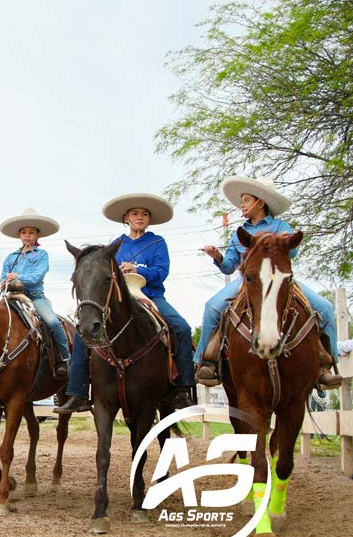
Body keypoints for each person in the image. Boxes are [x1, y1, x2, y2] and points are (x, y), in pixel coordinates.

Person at [194, 177, 341, 388]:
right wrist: (217, 256)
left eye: (245, 200)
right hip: (250, 281)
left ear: (260, 202)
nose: (241, 205)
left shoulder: (280, 225)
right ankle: (205, 362)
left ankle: (325, 366)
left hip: (280, 279)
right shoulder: (240, 233)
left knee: (325, 308)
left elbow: (295, 251)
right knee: (212, 307)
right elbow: (228, 266)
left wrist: (284, 241)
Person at [56, 193, 195, 413]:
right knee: (83, 332)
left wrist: (138, 270)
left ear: (149, 220)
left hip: (150, 294)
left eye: (145, 214)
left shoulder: (157, 242)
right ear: (126, 218)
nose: (140, 217)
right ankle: (78, 392)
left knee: (181, 327)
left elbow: (162, 271)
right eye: (135, 214)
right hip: (120, 298)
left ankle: (182, 388)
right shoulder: (114, 246)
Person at [0, 208, 70, 377]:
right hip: (12, 298)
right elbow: (3, 276)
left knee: (52, 322)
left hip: (34, 298)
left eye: (31, 232)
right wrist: (3, 282)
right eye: (24, 232)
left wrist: (18, 277)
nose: (27, 235)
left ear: (37, 235)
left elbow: (37, 277)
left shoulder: (42, 255)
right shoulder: (11, 257)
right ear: (19, 235)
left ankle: (64, 359)